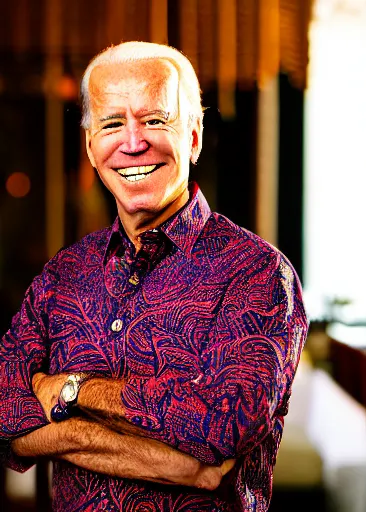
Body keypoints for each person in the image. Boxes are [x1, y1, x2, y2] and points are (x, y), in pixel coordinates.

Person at [0, 41, 308, 511]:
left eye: (155, 120)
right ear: (90, 146)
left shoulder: (259, 275)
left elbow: (220, 432)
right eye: (111, 124)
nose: (132, 142)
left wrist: (70, 389)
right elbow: (4, 414)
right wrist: (178, 463)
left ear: (194, 135)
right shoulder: (62, 275)